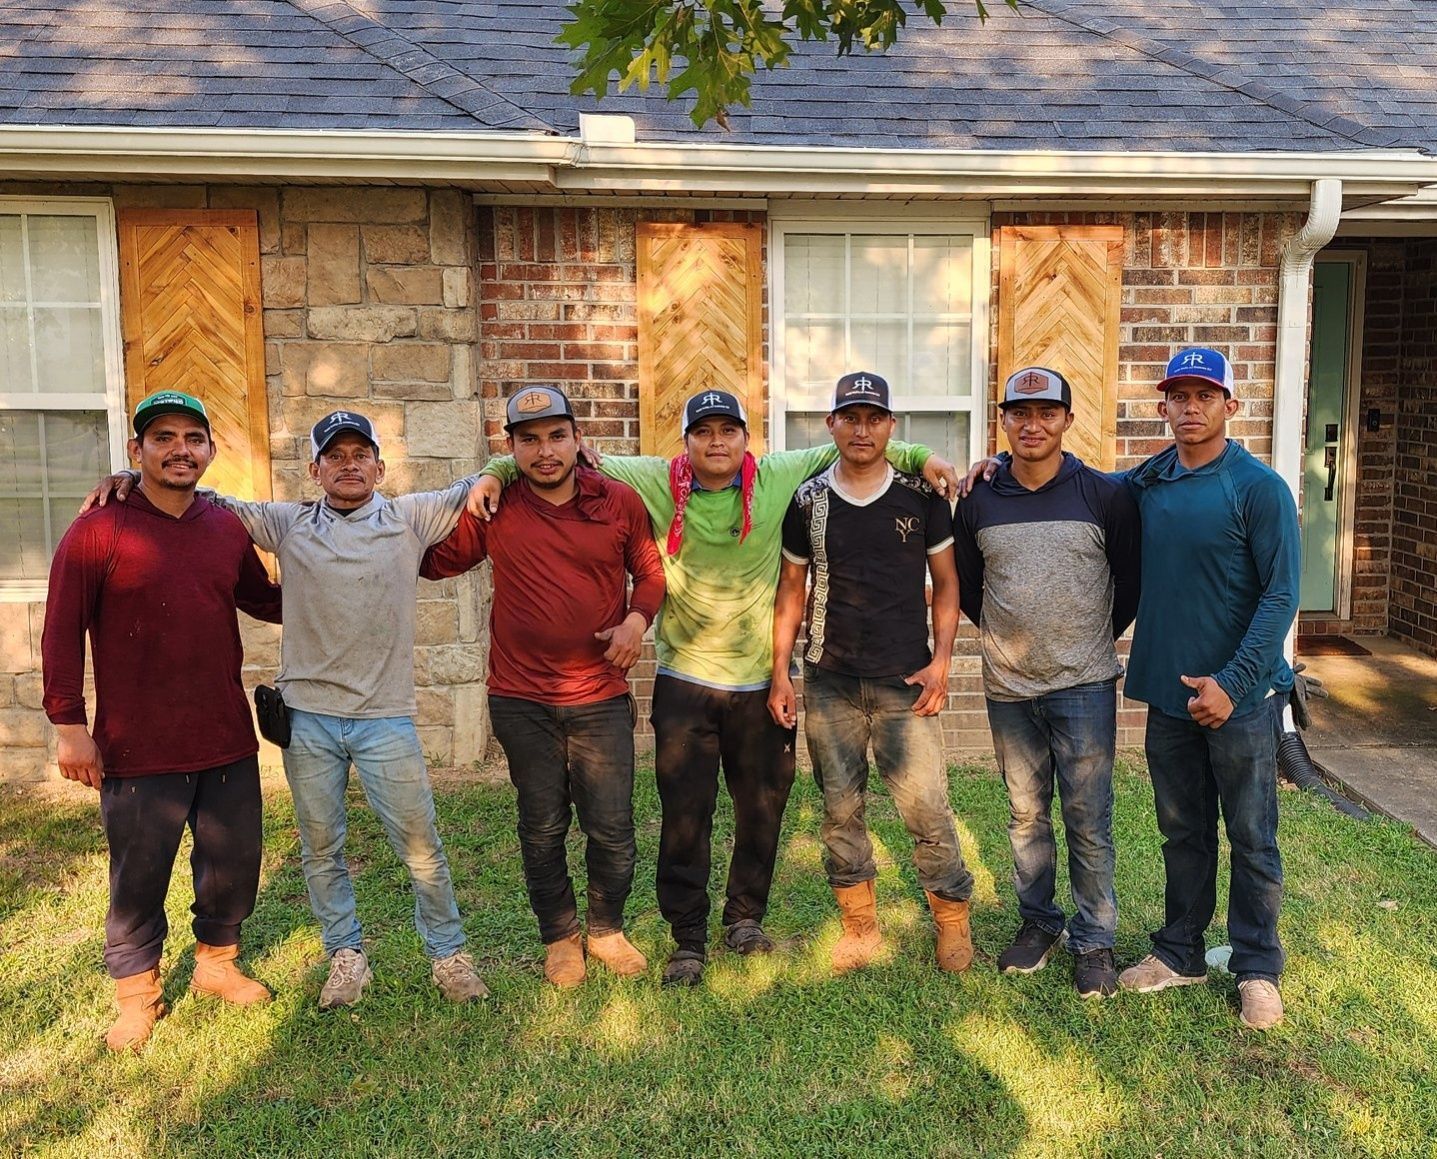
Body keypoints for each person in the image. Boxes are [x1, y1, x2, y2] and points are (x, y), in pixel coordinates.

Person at [472, 388, 959, 985]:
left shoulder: (780, 474)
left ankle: (745, 920)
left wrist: (921, 457)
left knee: (761, 810)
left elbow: (859, 447)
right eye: (703, 432)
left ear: (746, 440)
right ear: (686, 441)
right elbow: (570, 456)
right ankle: (687, 937)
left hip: (759, 683)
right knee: (685, 815)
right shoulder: (652, 480)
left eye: (729, 431)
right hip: (684, 681)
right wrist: (495, 470)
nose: (717, 442)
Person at [86, 409, 489, 1009]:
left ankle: (448, 955)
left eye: (361, 456)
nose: (349, 465)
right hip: (307, 721)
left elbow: (485, 481)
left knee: (420, 844)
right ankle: (345, 955)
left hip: (386, 719)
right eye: (335, 456)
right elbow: (196, 491)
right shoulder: (287, 523)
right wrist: (127, 474)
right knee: (320, 847)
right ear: (315, 469)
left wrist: (503, 467)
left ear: (380, 467)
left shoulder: (411, 517)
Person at [43, 390, 282, 1051]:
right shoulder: (98, 530)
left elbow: (266, 600)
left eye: (193, 438)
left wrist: (351, 580)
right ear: (136, 450)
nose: (181, 449)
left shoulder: (225, 527)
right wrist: (69, 723)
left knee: (232, 862)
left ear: (210, 449)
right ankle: (138, 995)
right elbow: (60, 630)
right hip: (137, 741)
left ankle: (216, 965)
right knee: (139, 873)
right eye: (163, 437)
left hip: (223, 732)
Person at [418, 386, 666, 988]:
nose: (544, 450)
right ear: (512, 447)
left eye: (556, 436)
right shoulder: (496, 508)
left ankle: (606, 929)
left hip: (600, 696)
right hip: (520, 698)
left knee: (611, 825)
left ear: (578, 439)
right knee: (542, 824)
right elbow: (433, 561)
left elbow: (650, 571)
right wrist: (367, 526)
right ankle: (560, 936)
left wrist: (637, 619)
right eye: (528, 440)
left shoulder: (619, 502)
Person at [1115, 348, 1299, 1030]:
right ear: (1161, 405)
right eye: (1178, 395)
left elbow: (1281, 594)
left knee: (1251, 836)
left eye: (1204, 394)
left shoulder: (1256, 487)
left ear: (1229, 404)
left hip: (1242, 702)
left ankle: (1255, 967)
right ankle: (1179, 951)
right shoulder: (1150, 480)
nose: (1190, 407)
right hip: (1169, 694)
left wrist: (1231, 681)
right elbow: (1084, 490)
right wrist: (1005, 470)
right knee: (1182, 831)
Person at [769, 372, 975, 975]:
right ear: (831, 424)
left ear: (891, 427)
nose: (862, 430)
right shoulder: (808, 501)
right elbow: (791, 590)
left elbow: (948, 585)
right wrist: (782, 673)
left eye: (874, 418)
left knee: (927, 808)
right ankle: (859, 925)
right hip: (829, 679)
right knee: (840, 808)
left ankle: (951, 922)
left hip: (904, 680)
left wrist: (942, 662)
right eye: (849, 418)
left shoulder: (920, 497)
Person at [952, 367, 1141, 998]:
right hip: (1009, 686)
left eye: (1046, 413)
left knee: (1088, 817)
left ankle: (1095, 941)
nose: (1033, 425)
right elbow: (973, 588)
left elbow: (1128, 584)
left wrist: (1082, 641)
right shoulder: (979, 498)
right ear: (1003, 419)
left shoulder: (1103, 495)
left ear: (1066, 419)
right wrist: (1008, 639)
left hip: (1084, 683)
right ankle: (1040, 923)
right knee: (1025, 814)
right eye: (1019, 413)